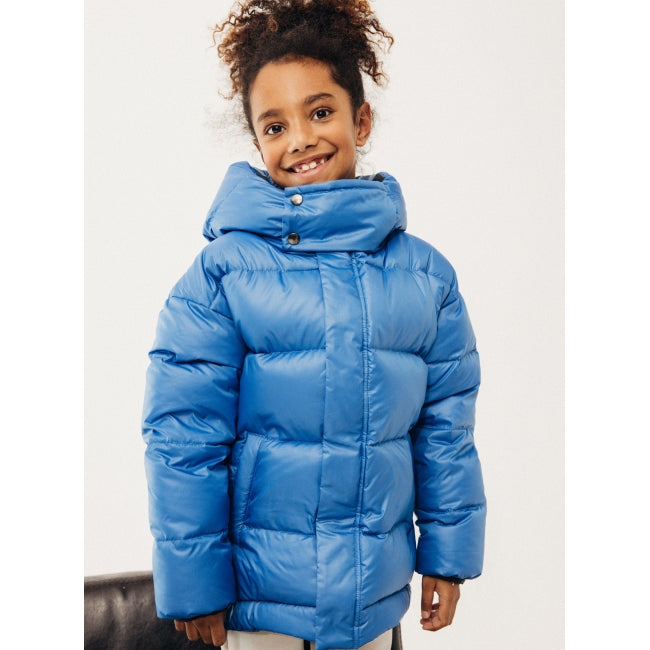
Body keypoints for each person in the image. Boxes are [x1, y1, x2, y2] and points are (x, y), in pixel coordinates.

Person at [142, 1, 486, 648]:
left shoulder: (426, 280)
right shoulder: (224, 276)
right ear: (257, 143)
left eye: (320, 112)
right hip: (260, 609)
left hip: (372, 608)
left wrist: (448, 553)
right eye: (275, 125)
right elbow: (183, 438)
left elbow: (446, 433)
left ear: (362, 119)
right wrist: (194, 583)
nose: (299, 138)